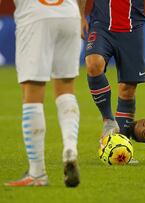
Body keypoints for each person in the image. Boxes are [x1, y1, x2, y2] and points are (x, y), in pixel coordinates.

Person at [5, 0, 86, 187]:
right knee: (66, 88)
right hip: (69, 13)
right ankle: (70, 147)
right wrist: (80, 14)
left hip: (35, 15)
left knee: (32, 92)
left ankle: (37, 173)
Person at [83, 0, 145, 147]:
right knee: (94, 64)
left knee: (127, 90)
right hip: (101, 26)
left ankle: (121, 145)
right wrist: (80, 15)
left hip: (132, 30)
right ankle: (108, 120)